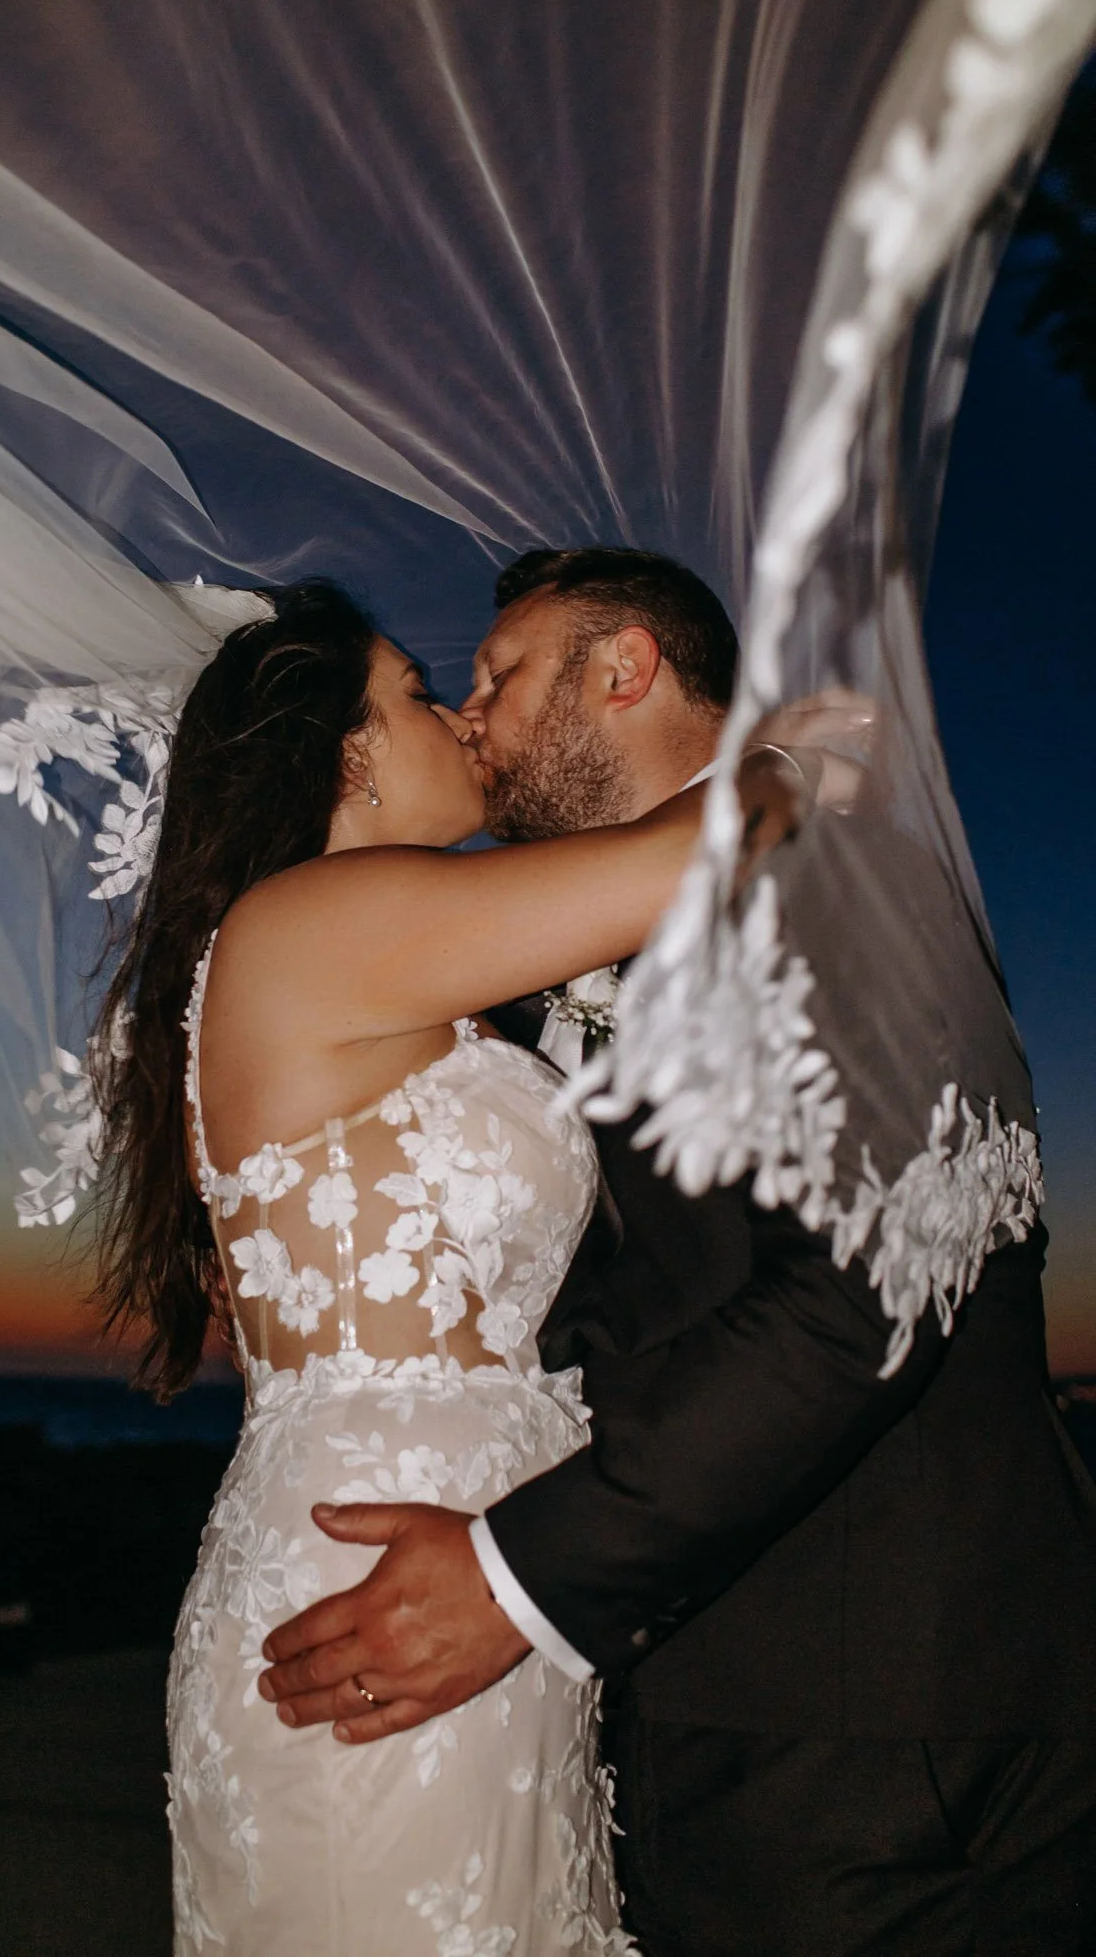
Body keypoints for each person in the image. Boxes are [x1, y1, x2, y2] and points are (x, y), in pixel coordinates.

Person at [260, 549, 1096, 1956]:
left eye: (499, 676)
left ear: (625, 670)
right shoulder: (560, 959)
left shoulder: (832, 888)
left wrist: (514, 1574)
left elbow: (861, 1294)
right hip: (706, 1700)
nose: (470, 716)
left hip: (879, 1738)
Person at [92, 574, 815, 1955]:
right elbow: (700, 851)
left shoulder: (385, 960)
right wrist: (791, 751)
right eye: (422, 693)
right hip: (375, 1598)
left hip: (463, 1589)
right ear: (351, 751)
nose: (462, 716)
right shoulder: (316, 920)